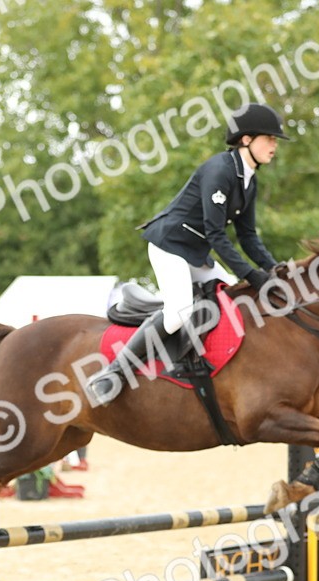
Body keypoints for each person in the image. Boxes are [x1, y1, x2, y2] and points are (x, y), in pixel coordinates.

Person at [86, 102, 290, 405]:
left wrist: (273, 270)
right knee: (179, 310)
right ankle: (114, 373)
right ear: (246, 139)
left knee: (235, 293)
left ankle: (198, 358)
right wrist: (253, 274)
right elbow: (216, 234)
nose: (274, 145)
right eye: (269, 138)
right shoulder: (220, 170)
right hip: (169, 245)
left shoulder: (249, 180)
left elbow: (247, 236)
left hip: (195, 252)